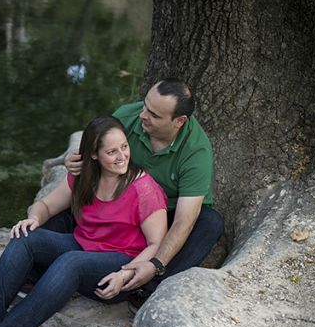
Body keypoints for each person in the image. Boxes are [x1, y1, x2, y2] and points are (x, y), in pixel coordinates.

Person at [0, 116, 168, 327]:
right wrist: (33, 219)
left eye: (124, 147)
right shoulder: (85, 177)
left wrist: (125, 275)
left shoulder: (144, 189)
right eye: (111, 151)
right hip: (83, 245)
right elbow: (46, 206)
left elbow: (156, 244)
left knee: (71, 261)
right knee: (26, 237)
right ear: (94, 155)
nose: (122, 156)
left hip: (119, 267)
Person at [63, 78, 224, 302]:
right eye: (145, 105)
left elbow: (183, 221)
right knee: (64, 205)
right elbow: (97, 150)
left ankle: (147, 287)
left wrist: (156, 263)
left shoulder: (196, 151)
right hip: (124, 204)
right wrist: (76, 162)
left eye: (154, 115)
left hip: (168, 213)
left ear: (179, 121)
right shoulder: (128, 116)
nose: (143, 115)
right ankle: (45, 269)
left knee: (210, 223)